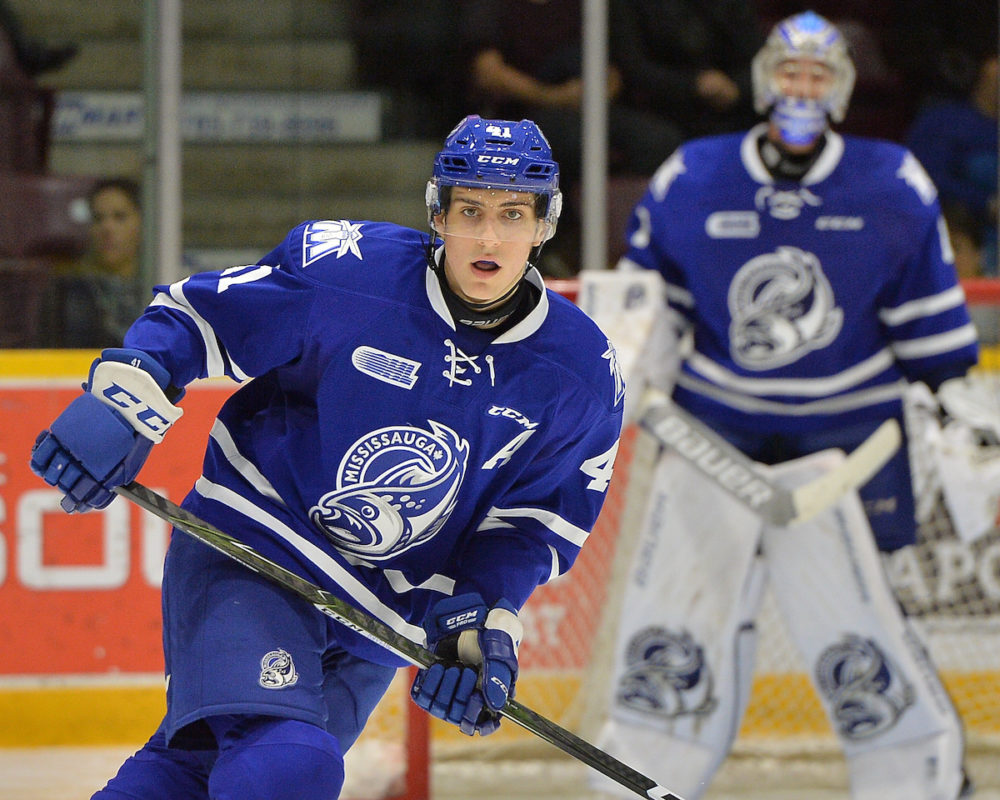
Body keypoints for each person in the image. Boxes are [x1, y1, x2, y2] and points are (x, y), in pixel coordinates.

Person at [29, 115, 625, 800]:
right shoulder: (347, 270)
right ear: (438, 213)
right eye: (470, 211)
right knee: (287, 767)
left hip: (381, 624)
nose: (489, 237)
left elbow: (532, 524)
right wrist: (127, 395)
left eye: (513, 214)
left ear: (545, 223)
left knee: (199, 772)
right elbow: (200, 318)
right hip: (255, 551)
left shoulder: (582, 373)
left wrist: (481, 617)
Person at [590, 12, 977, 800]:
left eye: (818, 77)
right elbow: (644, 303)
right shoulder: (692, 175)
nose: (801, 90)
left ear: (837, 91)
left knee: (863, 629)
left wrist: (952, 409)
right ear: (767, 81)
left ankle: (924, 783)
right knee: (675, 621)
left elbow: (934, 342)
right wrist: (619, 373)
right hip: (714, 435)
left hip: (848, 442)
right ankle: (643, 781)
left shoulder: (892, 182)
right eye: (790, 74)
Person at [461, 0, 681, 274]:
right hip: (522, 116)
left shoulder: (588, 6)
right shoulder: (492, 8)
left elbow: (614, 71)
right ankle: (549, 248)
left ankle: (633, 254)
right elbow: (489, 74)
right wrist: (553, 96)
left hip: (590, 108)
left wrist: (593, 93)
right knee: (558, 143)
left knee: (657, 140)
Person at [608, 0, 763, 144]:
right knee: (659, 137)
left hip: (731, 99)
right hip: (664, 103)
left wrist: (736, 88)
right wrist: (694, 85)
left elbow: (761, 58)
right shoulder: (629, 4)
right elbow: (633, 67)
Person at [906, 52, 999, 276]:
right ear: (986, 69)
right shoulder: (943, 122)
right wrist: (987, 204)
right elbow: (922, 178)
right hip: (959, 230)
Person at [53, 177, 147, 347]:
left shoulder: (167, 284)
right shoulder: (67, 293)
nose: (107, 228)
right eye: (98, 218)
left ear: (144, 223)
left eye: (120, 217)